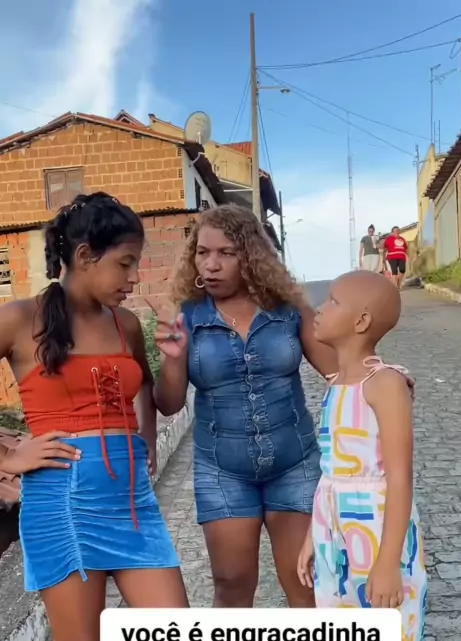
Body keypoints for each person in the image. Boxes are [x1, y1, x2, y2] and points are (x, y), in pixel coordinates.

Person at [0, 192, 242, 641]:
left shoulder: (125, 323)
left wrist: (174, 356)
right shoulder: (19, 319)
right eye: (126, 263)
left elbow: (162, 403)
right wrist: (9, 455)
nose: (134, 277)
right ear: (84, 255)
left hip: (132, 504)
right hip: (63, 505)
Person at [151, 205, 414, 613]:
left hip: (295, 466)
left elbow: (340, 370)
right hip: (222, 472)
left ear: (251, 255)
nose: (211, 264)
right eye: (202, 253)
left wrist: (385, 377)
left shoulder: (287, 309)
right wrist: (172, 358)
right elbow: (168, 405)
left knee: (306, 584)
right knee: (232, 587)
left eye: (226, 253)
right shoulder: (188, 316)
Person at [297, 270, 440, 641]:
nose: (318, 307)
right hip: (335, 545)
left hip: (382, 542)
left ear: (359, 321)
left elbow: (400, 478)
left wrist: (386, 563)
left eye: (330, 301)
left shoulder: (386, 385)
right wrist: (313, 538)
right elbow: (330, 473)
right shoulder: (335, 385)